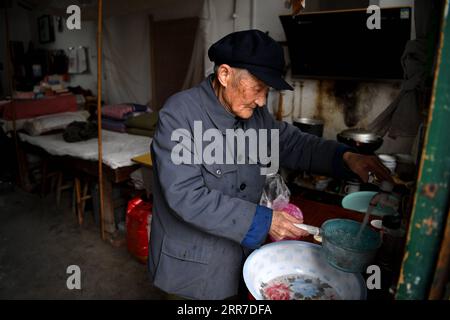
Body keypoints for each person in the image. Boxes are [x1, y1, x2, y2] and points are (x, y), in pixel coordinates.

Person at [148, 30, 392, 300]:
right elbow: (186, 196)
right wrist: (264, 221)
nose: (263, 100)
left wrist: (346, 157)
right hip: (194, 270)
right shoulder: (180, 115)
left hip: (240, 261)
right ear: (225, 74)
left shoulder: (255, 114)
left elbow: (292, 144)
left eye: (267, 91)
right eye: (257, 87)